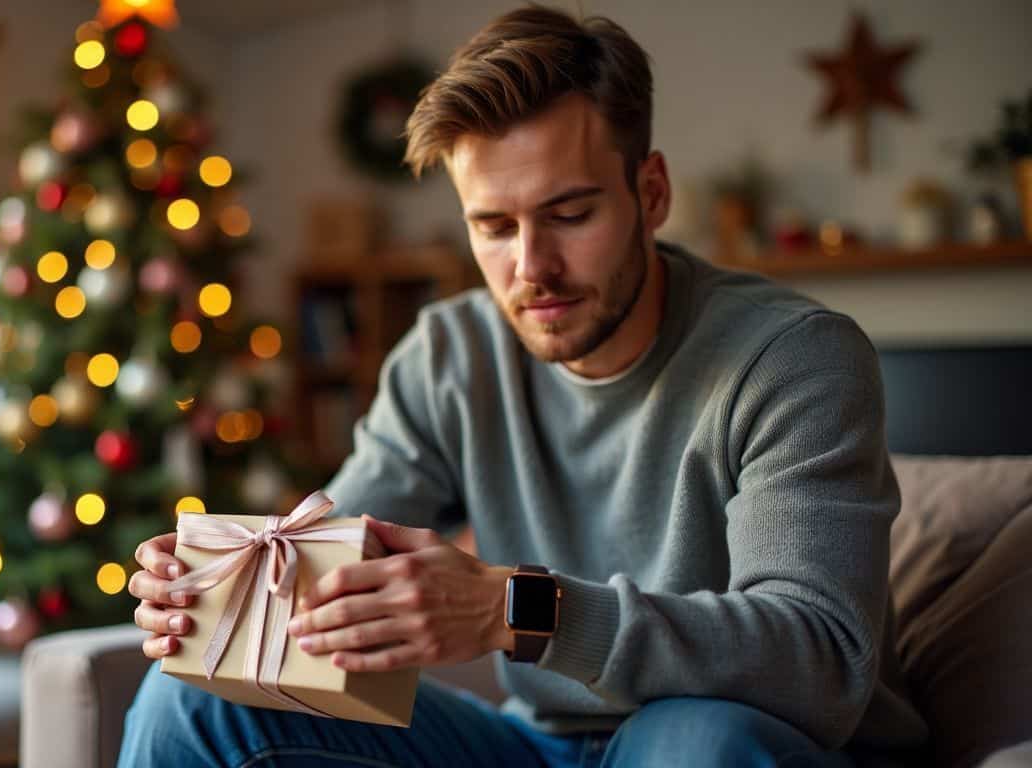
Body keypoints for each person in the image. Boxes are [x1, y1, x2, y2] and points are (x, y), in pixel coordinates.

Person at [119, 6, 929, 766]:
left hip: (725, 737)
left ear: (650, 194)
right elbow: (337, 568)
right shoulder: (449, 354)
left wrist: (517, 608)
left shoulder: (791, 358)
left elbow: (822, 658)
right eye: (495, 227)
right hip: (535, 746)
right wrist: (226, 590)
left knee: (695, 742)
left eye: (570, 215)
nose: (532, 269)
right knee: (184, 704)